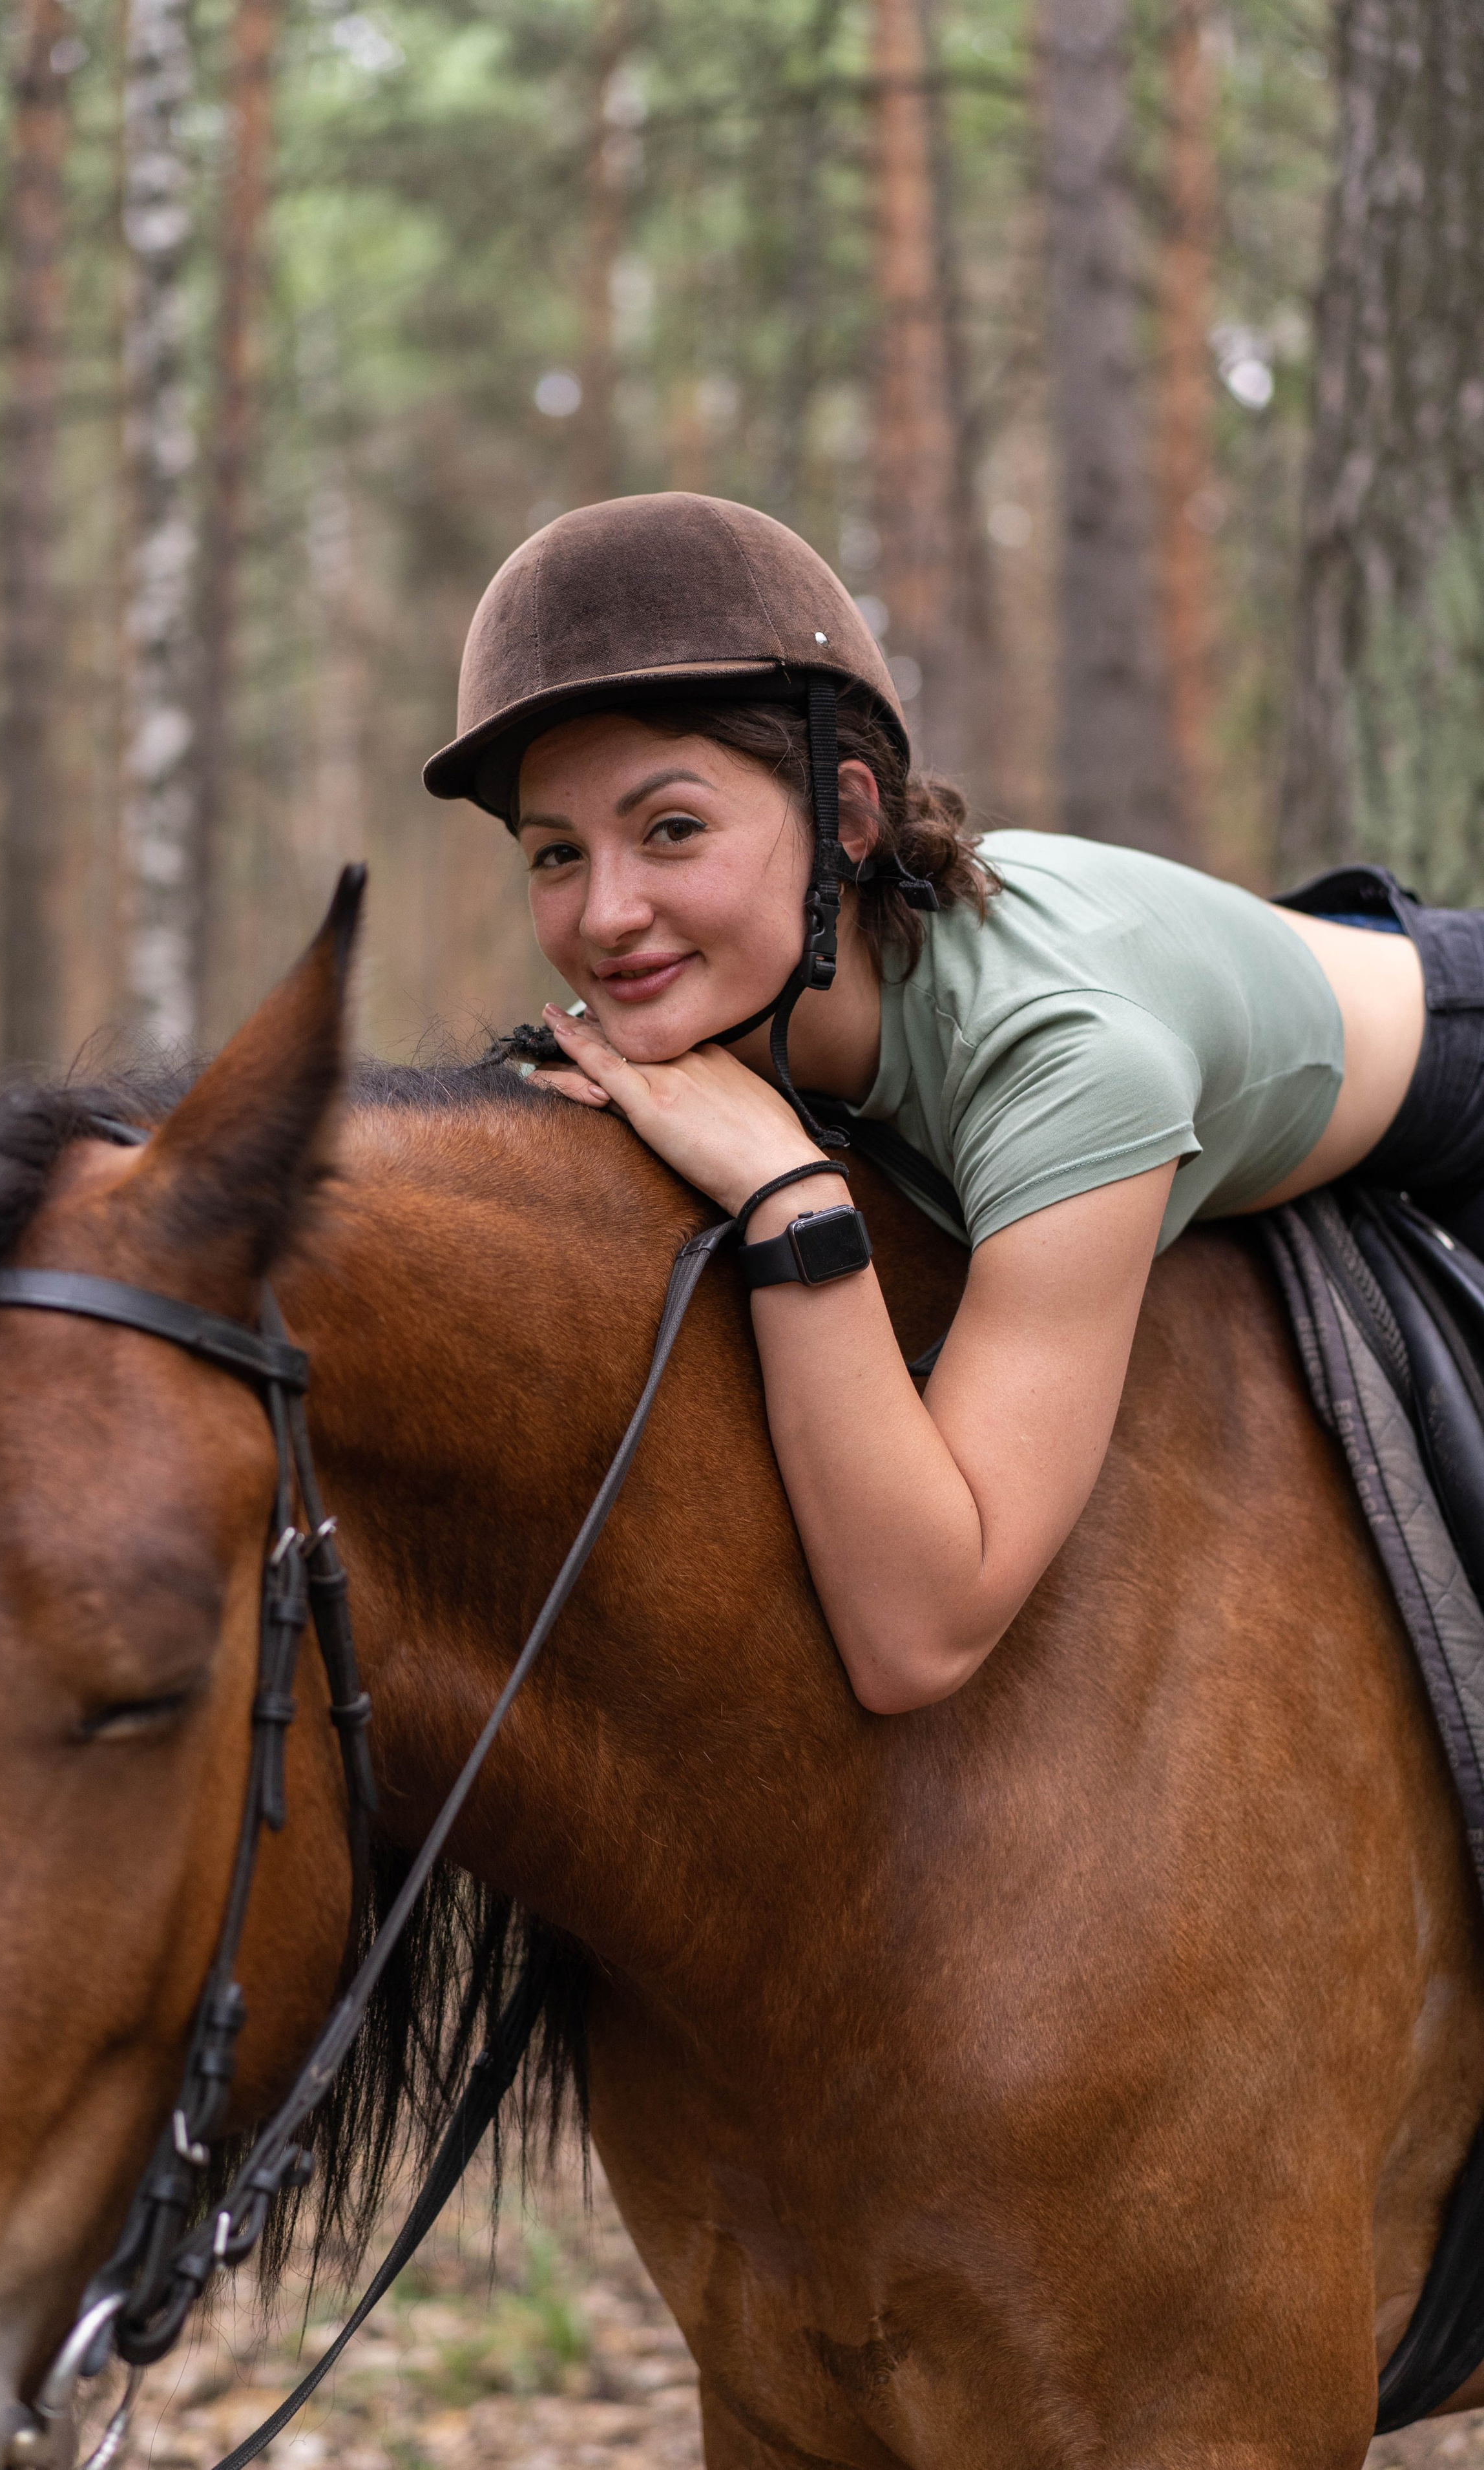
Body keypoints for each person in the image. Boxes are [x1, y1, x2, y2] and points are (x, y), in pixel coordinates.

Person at [423, 492, 1471, 1717]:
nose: (604, 916)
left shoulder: (1068, 1062)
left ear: (850, 822)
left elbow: (922, 1635)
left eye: (671, 828)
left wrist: (789, 1192)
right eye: (557, 854)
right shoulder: (732, 984)